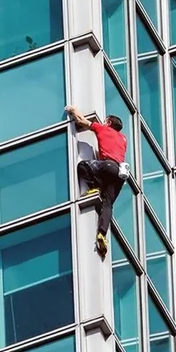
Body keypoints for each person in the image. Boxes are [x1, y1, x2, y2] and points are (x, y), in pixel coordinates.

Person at [65, 105, 130, 256]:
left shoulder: (103, 129)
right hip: (119, 174)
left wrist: (72, 109)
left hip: (107, 166)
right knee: (107, 204)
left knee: (82, 165)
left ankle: (94, 187)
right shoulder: (123, 139)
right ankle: (102, 234)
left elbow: (81, 120)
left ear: (108, 122)